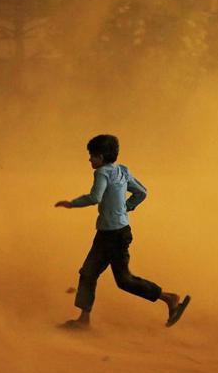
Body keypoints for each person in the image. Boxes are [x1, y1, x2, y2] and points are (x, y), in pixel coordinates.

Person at [55, 134, 190, 329]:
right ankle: (84, 319)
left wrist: (71, 204)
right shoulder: (122, 170)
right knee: (88, 273)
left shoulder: (101, 172)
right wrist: (126, 207)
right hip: (116, 232)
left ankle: (169, 298)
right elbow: (142, 192)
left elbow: (95, 197)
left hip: (112, 235)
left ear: (100, 157)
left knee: (122, 280)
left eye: (92, 156)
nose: (90, 160)